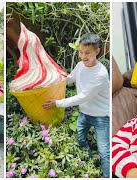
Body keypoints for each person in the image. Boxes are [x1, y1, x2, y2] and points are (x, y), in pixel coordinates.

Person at [42, 33, 110, 178]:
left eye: (87, 53)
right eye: (80, 52)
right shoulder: (80, 65)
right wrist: (52, 82)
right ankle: (90, 161)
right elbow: (70, 79)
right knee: (81, 140)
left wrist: (57, 103)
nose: (83, 56)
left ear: (97, 51)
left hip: (102, 117)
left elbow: (83, 96)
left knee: (104, 151)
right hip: (84, 113)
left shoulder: (101, 74)